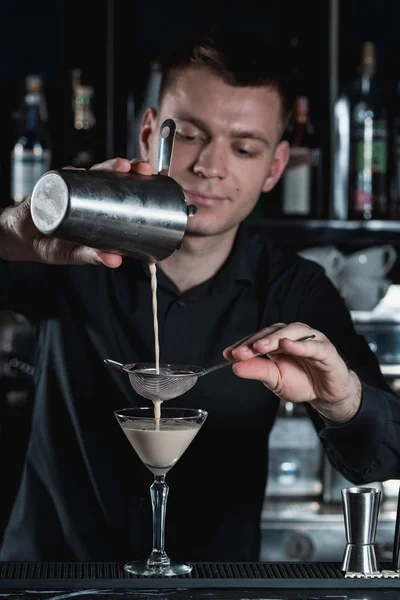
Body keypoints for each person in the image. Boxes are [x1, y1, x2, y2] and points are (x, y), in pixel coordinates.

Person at [1, 28, 400, 563]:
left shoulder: (295, 291)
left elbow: (379, 456)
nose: (211, 166)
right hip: (48, 581)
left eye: (243, 147)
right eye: (188, 135)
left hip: (215, 586)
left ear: (275, 168)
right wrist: (13, 230)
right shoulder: (70, 253)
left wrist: (341, 397)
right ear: (148, 136)